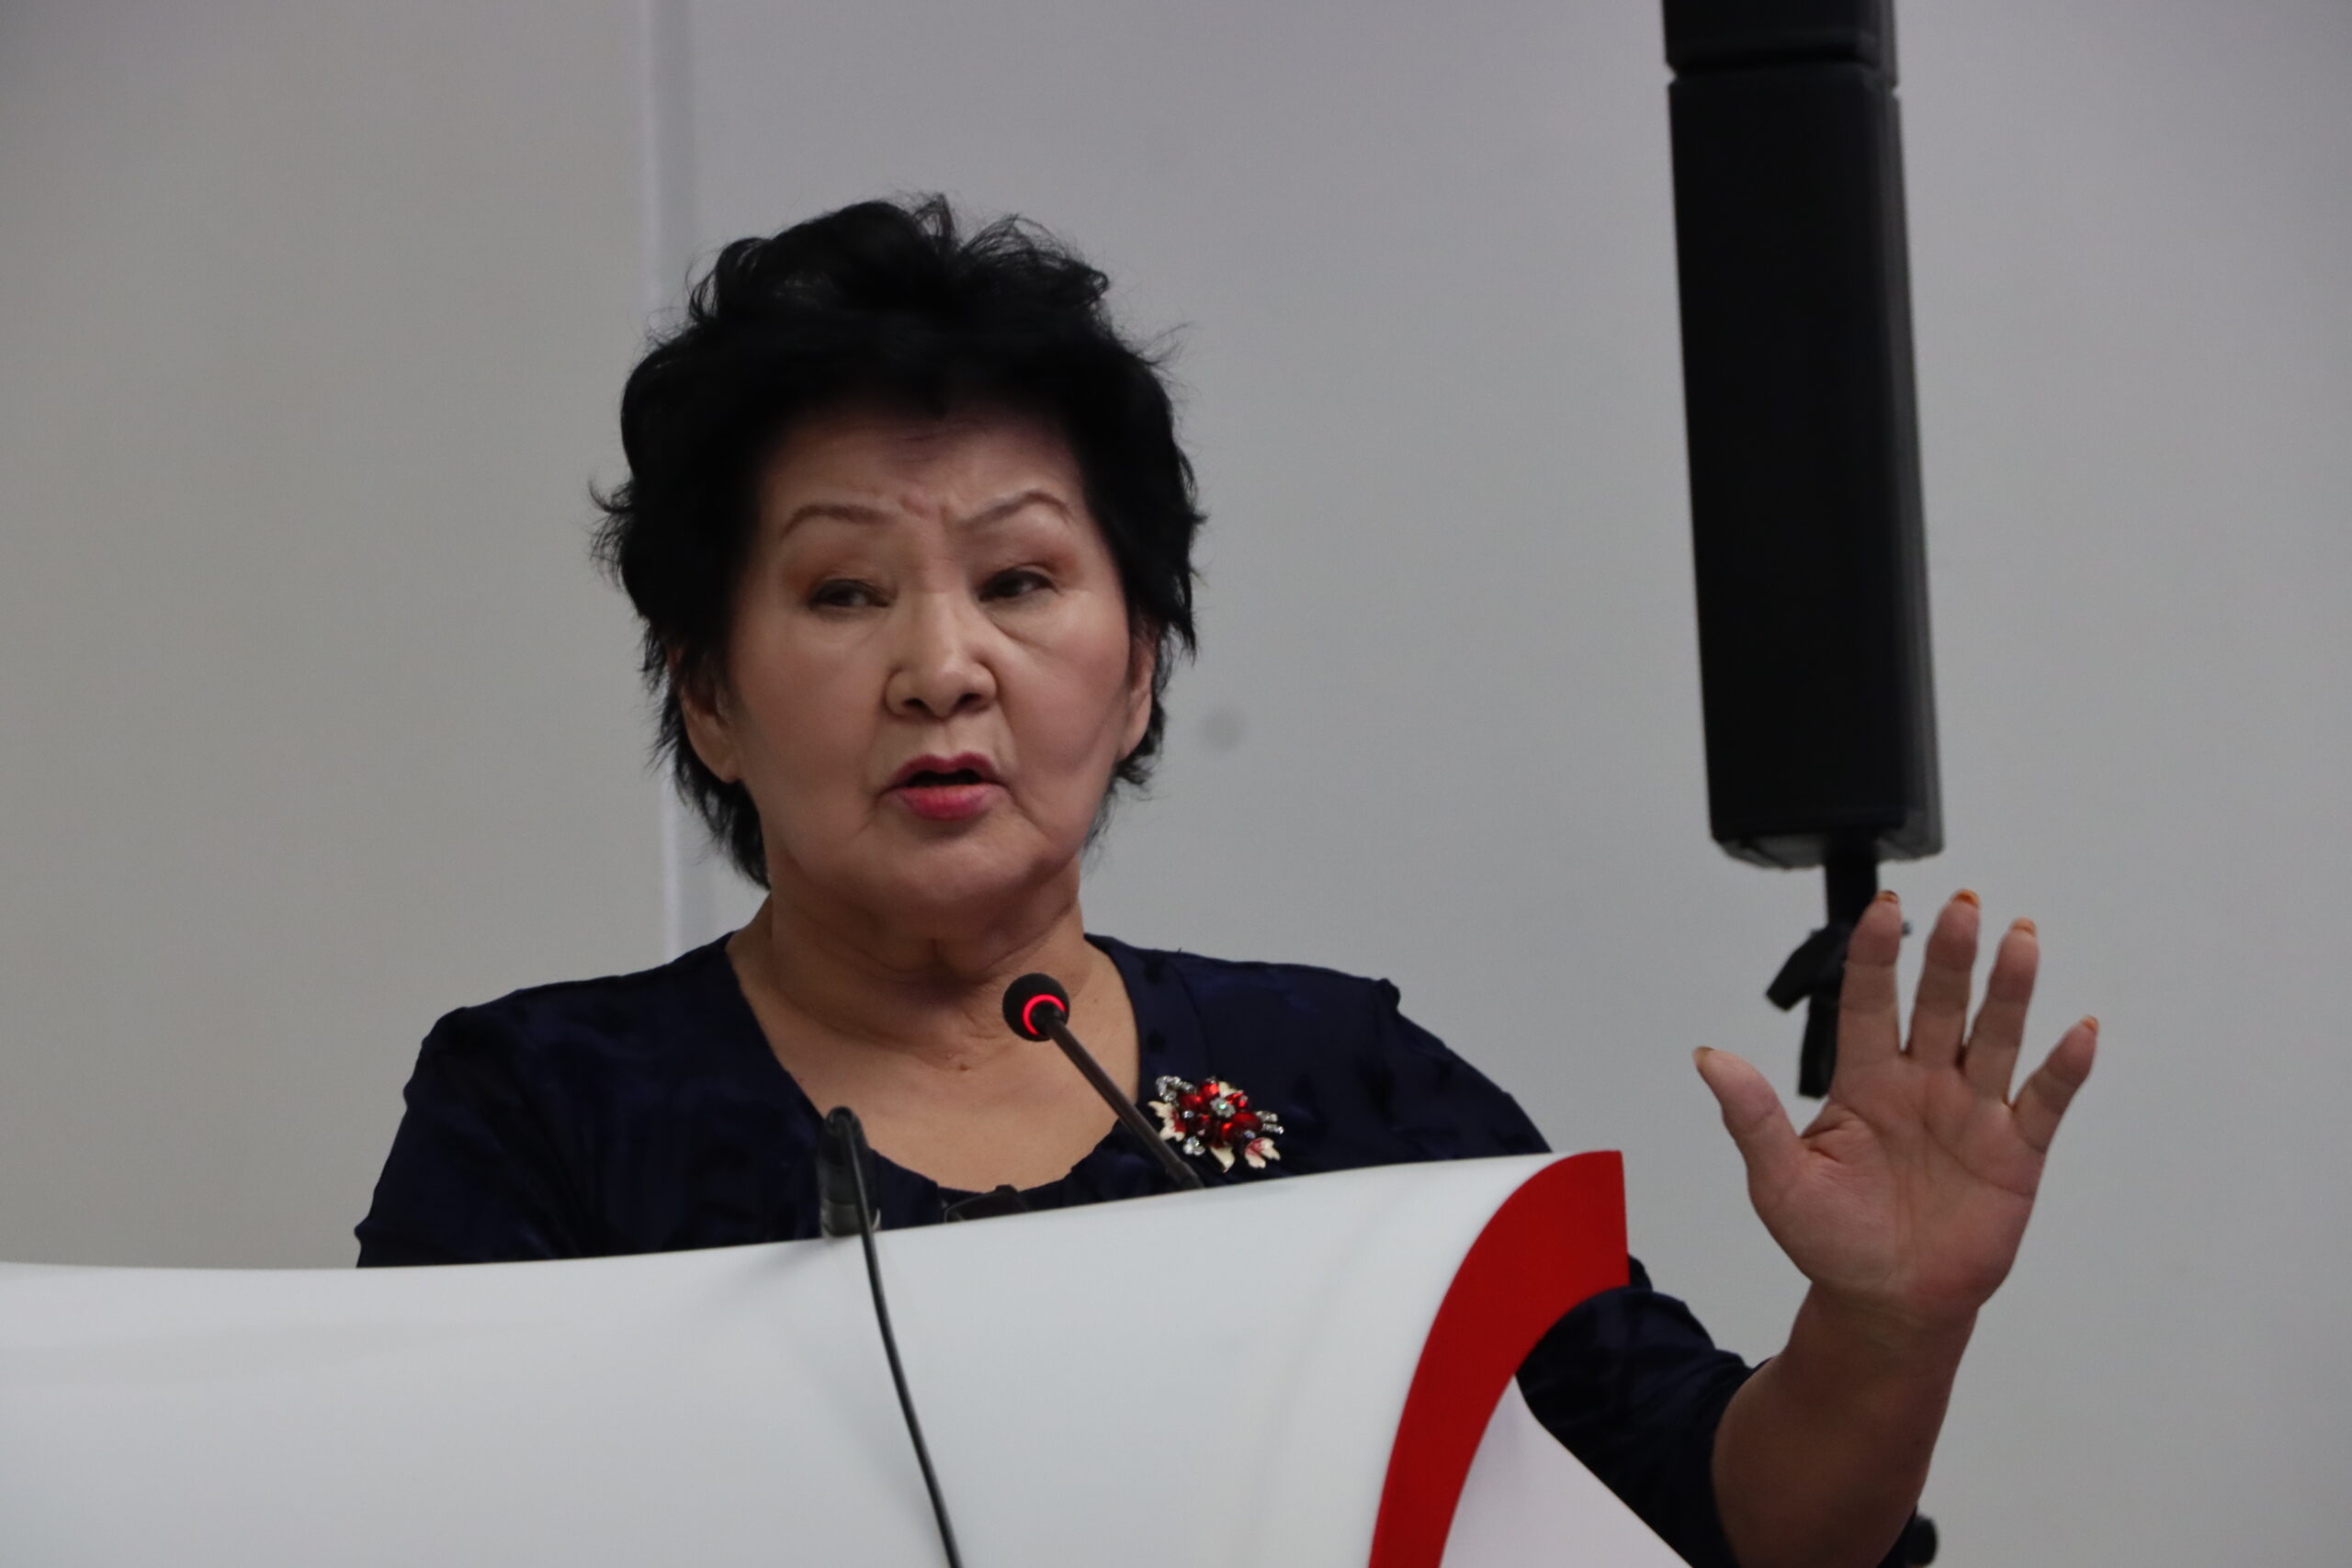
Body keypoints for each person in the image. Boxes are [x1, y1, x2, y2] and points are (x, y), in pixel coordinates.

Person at [356, 197, 2097, 1568]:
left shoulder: (1344, 1084)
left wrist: (1884, 1329)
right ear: (709, 697)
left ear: (1137, 673)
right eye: (842, 593)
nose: (942, 669)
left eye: (1020, 582)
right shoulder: (547, 1110)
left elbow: (1724, 1522)